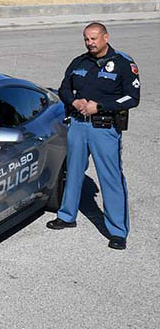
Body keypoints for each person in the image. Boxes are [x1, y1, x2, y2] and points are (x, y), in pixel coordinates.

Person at [47, 22, 140, 250]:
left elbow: (132, 97)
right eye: (87, 39)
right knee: (73, 172)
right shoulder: (79, 62)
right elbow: (64, 89)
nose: (90, 43)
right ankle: (67, 216)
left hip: (104, 128)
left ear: (106, 37)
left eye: (94, 38)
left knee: (111, 177)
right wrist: (74, 101)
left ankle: (117, 231)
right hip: (78, 126)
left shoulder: (123, 64)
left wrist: (100, 107)